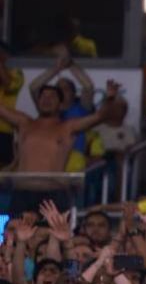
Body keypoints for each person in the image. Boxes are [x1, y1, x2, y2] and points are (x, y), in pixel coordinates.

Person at [0, 80, 119, 213]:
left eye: (52, 97)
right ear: (37, 102)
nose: (47, 99)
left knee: (56, 234)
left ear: (61, 104)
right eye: (43, 96)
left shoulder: (68, 127)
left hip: (54, 193)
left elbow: (100, 116)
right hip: (22, 193)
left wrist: (110, 98)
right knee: (15, 233)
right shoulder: (24, 123)